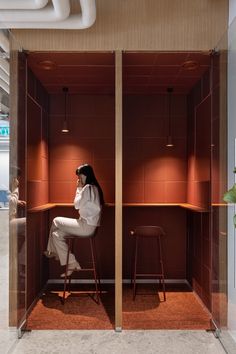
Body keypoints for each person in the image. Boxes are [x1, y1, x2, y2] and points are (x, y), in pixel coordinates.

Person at [44, 164, 104, 277]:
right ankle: (72, 263)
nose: (79, 180)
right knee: (56, 234)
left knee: (56, 220)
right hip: (89, 227)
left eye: (80, 177)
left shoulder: (87, 188)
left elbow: (76, 205)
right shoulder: (95, 188)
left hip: (86, 226)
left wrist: (78, 188)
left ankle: (51, 251)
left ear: (86, 175)